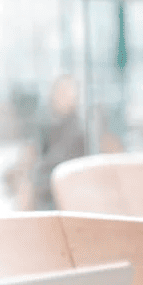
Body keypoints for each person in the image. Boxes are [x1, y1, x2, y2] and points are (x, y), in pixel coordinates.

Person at [29, 73, 86, 210]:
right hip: (47, 191)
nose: (62, 97)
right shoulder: (46, 125)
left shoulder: (79, 130)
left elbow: (56, 162)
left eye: (67, 92)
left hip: (66, 192)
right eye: (59, 92)